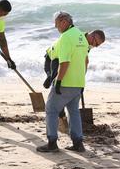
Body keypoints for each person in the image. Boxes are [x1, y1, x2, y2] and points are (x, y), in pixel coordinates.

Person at [37, 12, 89, 153]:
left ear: (64, 21)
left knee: (51, 109)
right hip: (78, 83)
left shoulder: (66, 37)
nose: (56, 27)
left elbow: (64, 62)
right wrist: (82, 81)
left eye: (57, 23)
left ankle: (52, 143)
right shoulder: (81, 37)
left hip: (65, 82)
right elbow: (86, 61)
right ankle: (78, 143)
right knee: (73, 112)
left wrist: (58, 81)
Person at [43, 26, 106, 133]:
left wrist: (81, 81)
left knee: (62, 89)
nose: (95, 46)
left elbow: (84, 62)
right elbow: (65, 60)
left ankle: (61, 116)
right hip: (52, 57)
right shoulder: (77, 38)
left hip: (62, 58)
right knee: (55, 78)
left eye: (98, 46)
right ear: (92, 36)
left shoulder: (88, 46)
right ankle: (50, 78)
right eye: (96, 43)